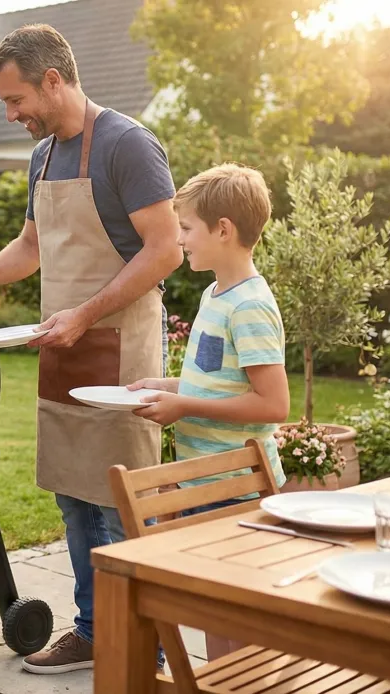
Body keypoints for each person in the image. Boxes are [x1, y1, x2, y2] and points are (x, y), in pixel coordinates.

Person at [0, 24, 182, 675]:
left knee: (121, 501)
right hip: (62, 346)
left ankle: (150, 644)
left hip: (120, 351)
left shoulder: (127, 144)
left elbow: (166, 250)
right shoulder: (42, 156)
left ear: (52, 80)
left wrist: (86, 314)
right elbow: (31, 248)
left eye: (15, 100)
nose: (10, 114)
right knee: (73, 495)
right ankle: (94, 631)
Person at [129, 163, 289, 660]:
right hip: (206, 480)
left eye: (186, 229)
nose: (179, 240)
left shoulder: (249, 307)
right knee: (213, 612)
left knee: (238, 619)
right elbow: (221, 382)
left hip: (238, 486)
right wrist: (167, 387)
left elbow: (273, 404)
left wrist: (183, 406)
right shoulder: (215, 294)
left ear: (223, 230)